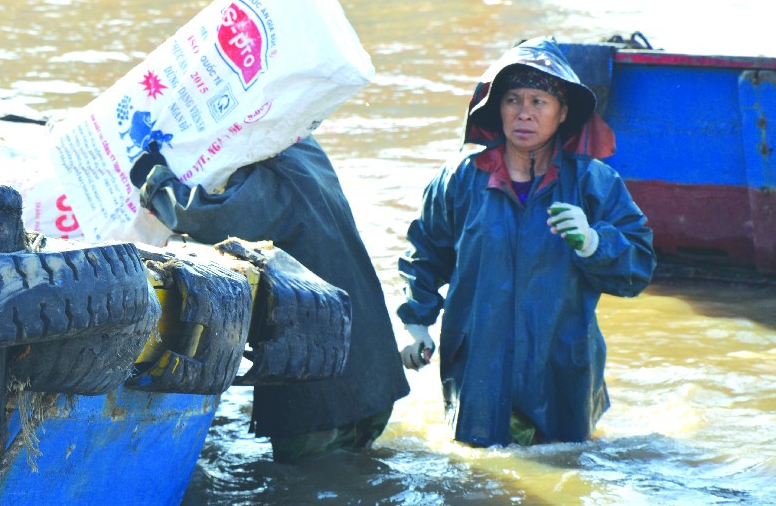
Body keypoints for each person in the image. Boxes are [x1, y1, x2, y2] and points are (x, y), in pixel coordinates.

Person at [395, 36, 656, 448]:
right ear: (496, 108)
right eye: (513, 99)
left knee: (563, 471)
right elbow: (424, 255)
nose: (524, 113)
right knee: (477, 478)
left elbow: (638, 268)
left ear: (562, 112)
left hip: (562, 369)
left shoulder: (593, 183)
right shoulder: (459, 179)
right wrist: (415, 324)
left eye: (539, 102)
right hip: (478, 368)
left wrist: (593, 242)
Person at [134, 135, 410, 462]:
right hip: (373, 378)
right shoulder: (303, 148)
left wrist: (153, 178)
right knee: (361, 477)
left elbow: (203, 216)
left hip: (318, 391)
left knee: (304, 492)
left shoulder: (272, 177)